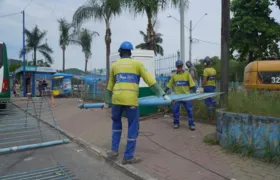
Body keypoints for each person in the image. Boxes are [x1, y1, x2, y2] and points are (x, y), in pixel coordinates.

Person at [104, 41, 171, 165]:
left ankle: (114, 151)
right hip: (131, 101)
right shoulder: (137, 64)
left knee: (116, 124)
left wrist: (107, 102)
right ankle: (128, 156)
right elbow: (149, 80)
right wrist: (162, 94)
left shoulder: (115, 65)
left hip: (116, 100)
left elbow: (110, 85)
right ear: (130, 52)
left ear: (120, 52)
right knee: (133, 126)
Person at [164, 60, 197, 130]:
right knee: (175, 110)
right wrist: (163, 92)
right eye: (178, 67)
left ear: (182, 66)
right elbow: (169, 85)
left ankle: (191, 124)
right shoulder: (174, 76)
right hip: (177, 97)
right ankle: (176, 123)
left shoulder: (187, 74)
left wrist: (196, 92)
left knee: (189, 110)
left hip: (186, 96)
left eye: (180, 66)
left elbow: (192, 84)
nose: (179, 68)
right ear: (176, 67)